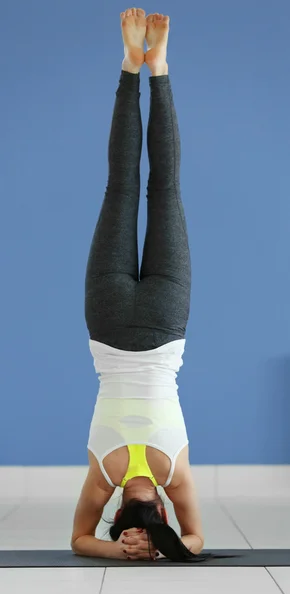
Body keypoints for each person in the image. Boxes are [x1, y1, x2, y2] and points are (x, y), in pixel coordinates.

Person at [71, 8, 212, 563]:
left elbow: (78, 540)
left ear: (118, 515)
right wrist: (162, 550)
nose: (140, 504)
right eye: (149, 516)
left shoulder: (101, 478)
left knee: (121, 188)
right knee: (167, 189)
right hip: (163, 320)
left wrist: (114, 552)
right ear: (161, 513)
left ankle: (130, 66)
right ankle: (160, 70)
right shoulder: (175, 477)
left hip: (106, 321)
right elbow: (197, 540)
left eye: (129, 519)